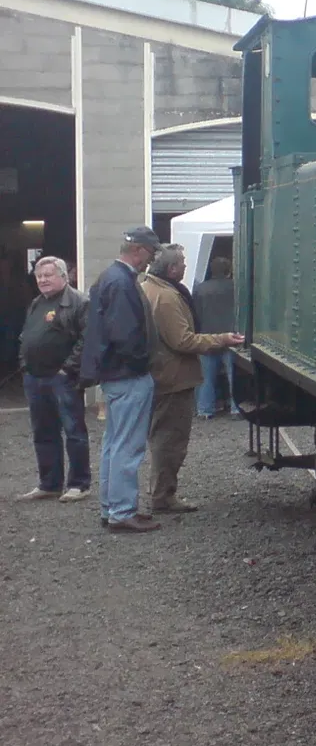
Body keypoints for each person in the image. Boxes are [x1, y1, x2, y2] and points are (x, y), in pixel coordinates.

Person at [139, 245, 244, 513]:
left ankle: (161, 492)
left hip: (165, 373)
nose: (186, 266)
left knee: (163, 435)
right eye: (183, 262)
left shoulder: (151, 288)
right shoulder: (166, 297)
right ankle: (163, 496)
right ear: (172, 268)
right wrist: (221, 339)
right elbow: (182, 340)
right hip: (173, 376)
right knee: (170, 440)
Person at [81, 226, 163, 533]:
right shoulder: (122, 283)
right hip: (128, 375)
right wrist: (142, 363)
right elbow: (125, 335)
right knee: (128, 445)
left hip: (114, 375)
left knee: (114, 444)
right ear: (139, 250)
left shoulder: (109, 278)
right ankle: (121, 510)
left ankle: (112, 506)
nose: (151, 261)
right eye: (151, 254)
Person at [16, 256, 91, 503]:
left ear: (63, 275)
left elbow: (87, 339)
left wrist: (67, 369)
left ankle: (79, 484)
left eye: (48, 275)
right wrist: (25, 364)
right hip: (35, 377)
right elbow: (25, 336)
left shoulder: (79, 302)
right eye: (39, 276)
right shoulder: (37, 303)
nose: (42, 280)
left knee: (73, 431)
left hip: (63, 379)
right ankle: (49, 484)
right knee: (43, 432)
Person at [192, 256, 239, 419]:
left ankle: (205, 410)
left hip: (207, 338)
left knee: (205, 379)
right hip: (233, 338)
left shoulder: (200, 289)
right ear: (229, 271)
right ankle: (236, 408)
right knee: (234, 378)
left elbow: (194, 315)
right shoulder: (236, 288)